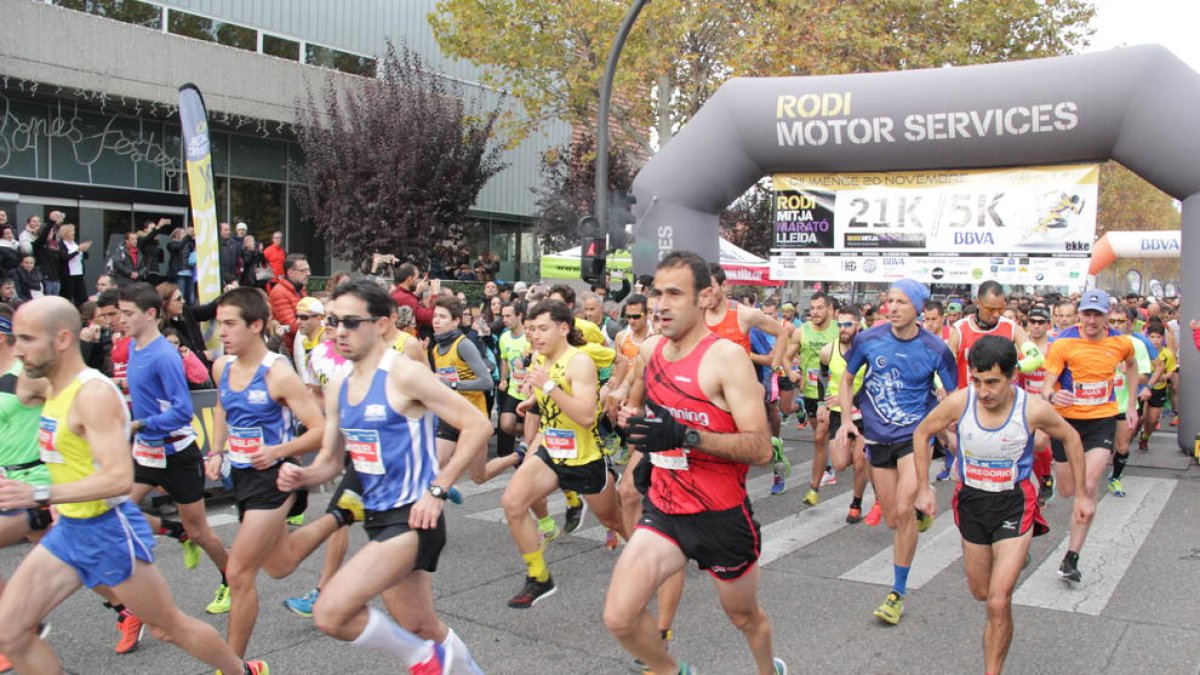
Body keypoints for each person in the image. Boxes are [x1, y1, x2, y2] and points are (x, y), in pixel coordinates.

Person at [0, 296, 267, 675]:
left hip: (108, 530)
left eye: (26, 339)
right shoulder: (43, 385)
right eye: (14, 338)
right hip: (70, 531)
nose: (17, 348)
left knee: (167, 627)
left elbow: (117, 479)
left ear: (61, 339)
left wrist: (40, 494)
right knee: (10, 632)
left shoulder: (91, 394)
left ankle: (243, 672)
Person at [277, 279, 486, 674]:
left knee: (331, 612)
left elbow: (477, 425)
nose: (339, 331)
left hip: (413, 517)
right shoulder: (339, 386)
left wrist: (439, 489)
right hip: (375, 518)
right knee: (421, 625)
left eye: (351, 322)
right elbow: (332, 463)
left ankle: (420, 660)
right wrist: (301, 477)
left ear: (382, 323)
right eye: (334, 321)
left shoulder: (404, 374)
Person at [605, 251, 786, 675]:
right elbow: (642, 413)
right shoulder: (651, 351)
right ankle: (672, 670)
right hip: (666, 509)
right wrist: (630, 424)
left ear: (704, 297)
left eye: (673, 294)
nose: (660, 305)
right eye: (656, 293)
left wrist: (688, 437)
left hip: (721, 516)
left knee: (744, 617)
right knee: (619, 616)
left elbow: (760, 448)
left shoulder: (726, 358)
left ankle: (768, 670)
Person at [913, 335, 1092, 675]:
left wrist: (1082, 494)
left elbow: (1070, 437)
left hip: (1014, 502)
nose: (984, 391)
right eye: (978, 381)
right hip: (972, 502)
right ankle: (1016, 557)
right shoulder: (960, 402)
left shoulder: (1033, 408)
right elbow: (922, 433)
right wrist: (923, 488)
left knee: (997, 602)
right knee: (981, 592)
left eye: (993, 382)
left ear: (1013, 376)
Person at [206, 287, 357, 657]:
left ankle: (234, 666)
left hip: (274, 477)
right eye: (219, 324)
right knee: (279, 565)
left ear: (256, 325)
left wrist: (279, 450)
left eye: (229, 324)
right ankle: (339, 517)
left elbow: (320, 428)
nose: (221, 332)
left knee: (240, 573)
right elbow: (223, 406)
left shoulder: (278, 373)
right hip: (241, 474)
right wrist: (215, 450)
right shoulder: (222, 365)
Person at [833, 279, 957, 625]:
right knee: (892, 518)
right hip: (876, 438)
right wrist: (846, 421)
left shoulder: (935, 348)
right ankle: (919, 512)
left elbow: (955, 393)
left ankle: (897, 593)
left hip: (913, 437)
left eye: (902, 302)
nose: (894, 307)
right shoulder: (869, 339)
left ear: (918, 308)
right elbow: (846, 379)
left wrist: (945, 430)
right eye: (890, 301)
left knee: (902, 510)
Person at [500, 299, 627, 608]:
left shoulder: (578, 361)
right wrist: (532, 401)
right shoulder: (538, 360)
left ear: (563, 328)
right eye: (533, 329)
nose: (536, 335)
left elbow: (585, 416)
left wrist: (548, 388)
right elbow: (548, 396)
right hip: (551, 449)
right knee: (512, 502)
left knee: (614, 520)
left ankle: (649, 559)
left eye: (543, 329)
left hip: (584, 458)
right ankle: (539, 576)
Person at [119, 283, 231, 614]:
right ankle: (175, 531)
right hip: (147, 451)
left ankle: (232, 579)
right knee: (116, 509)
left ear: (151, 314)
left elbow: (182, 410)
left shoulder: (165, 355)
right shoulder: (133, 347)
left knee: (202, 531)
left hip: (177, 453)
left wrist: (143, 425)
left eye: (128, 314)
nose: (121, 320)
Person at [1041, 288, 1139, 584]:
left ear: (1107, 315)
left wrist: (1131, 404)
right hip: (1067, 424)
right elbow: (1047, 385)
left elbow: (1132, 368)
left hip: (1102, 421)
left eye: (1098, 314)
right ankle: (1075, 502)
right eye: (1087, 314)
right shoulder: (1063, 343)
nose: (1092, 320)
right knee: (1069, 490)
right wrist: (1054, 397)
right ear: (1080, 314)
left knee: (1089, 483)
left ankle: (1071, 556)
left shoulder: (1121, 343)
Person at [783, 291, 839, 500]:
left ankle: (815, 485)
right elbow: (787, 358)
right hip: (810, 392)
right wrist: (791, 372)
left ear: (829, 310)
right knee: (820, 437)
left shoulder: (838, 330)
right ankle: (829, 467)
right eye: (812, 308)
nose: (815, 312)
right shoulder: (801, 331)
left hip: (833, 393)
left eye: (819, 308)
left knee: (819, 437)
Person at [821, 307, 872, 524]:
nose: (843, 329)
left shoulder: (868, 350)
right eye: (839, 325)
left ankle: (856, 504)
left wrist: (848, 400)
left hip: (864, 413)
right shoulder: (827, 350)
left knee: (860, 461)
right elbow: (821, 374)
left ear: (858, 326)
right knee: (841, 463)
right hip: (838, 415)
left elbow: (872, 382)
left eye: (848, 324)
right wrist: (821, 402)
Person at [1017, 305, 1058, 506]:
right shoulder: (1022, 349)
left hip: (1049, 403)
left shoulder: (1055, 347)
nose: (1036, 326)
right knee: (1027, 446)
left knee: (1040, 442)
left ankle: (1047, 477)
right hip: (1025, 402)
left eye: (1041, 322)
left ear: (1048, 325)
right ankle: (1041, 481)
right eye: (1032, 322)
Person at [1140, 323, 1173, 451]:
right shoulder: (1142, 351)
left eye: (1158, 337)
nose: (1155, 340)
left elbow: (1170, 371)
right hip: (1142, 388)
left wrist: (1160, 377)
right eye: (1152, 337)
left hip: (1158, 389)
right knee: (1141, 417)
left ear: (1163, 338)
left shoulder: (1167, 354)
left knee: (1152, 420)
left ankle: (1145, 437)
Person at [267, 253, 311, 345]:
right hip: (290, 349)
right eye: (303, 270)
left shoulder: (300, 290)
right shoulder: (279, 292)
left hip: (302, 343)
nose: (308, 273)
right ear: (290, 272)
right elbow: (293, 327)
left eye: (308, 269)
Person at [57, 224, 92, 306]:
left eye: (74, 231)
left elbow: (85, 257)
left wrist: (84, 250)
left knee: (82, 297)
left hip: (79, 273)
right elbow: (65, 257)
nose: (74, 233)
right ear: (65, 233)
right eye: (71, 231)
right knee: (68, 296)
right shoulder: (61, 244)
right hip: (68, 275)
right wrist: (77, 250)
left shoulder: (74, 243)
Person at [166, 227, 196, 305]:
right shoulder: (172, 244)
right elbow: (179, 246)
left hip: (189, 273)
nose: (185, 235)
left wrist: (192, 237)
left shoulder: (188, 244)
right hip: (179, 273)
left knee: (190, 297)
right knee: (181, 294)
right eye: (183, 234)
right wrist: (187, 237)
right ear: (177, 235)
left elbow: (195, 246)